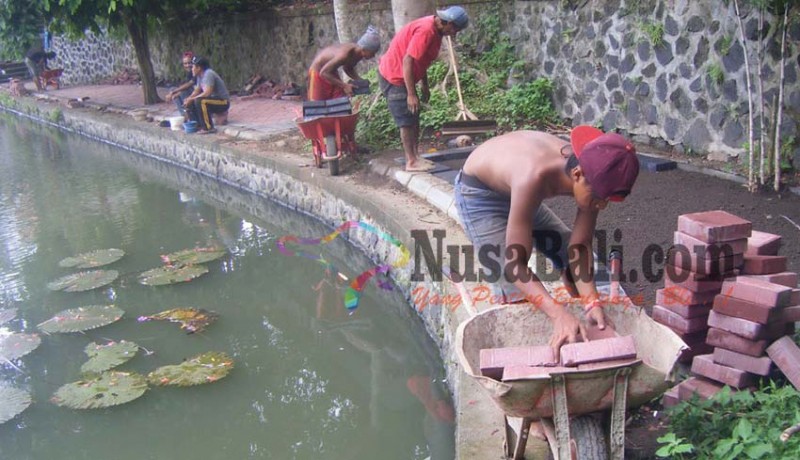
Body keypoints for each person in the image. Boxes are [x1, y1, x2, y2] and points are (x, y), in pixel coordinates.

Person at [453, 127, 640, 351]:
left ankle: (578, 321)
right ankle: (533, 345)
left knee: (573, 262)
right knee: (511, 284)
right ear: (577, 175)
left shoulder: (595, 173)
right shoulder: (533, 177)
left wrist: (591, 302)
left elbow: (579, 247)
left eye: (607, 200)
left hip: (518, 188)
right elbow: (514, 264)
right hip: (481, 195)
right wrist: (558, 313)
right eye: (600, 199)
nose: (601, 206)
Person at [378, 6, 468, 172]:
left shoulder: (437, 32)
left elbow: (422, 60)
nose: (454, 33)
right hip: (395, 76)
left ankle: (415, 156)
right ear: (447, 22)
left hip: (407, 75)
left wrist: (424, 86)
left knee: (414, 115)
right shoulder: (426, 30)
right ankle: (411, 161)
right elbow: (408, 60)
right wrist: (411, 94)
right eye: (455, 29)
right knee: (406, 118)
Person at [307, 26, 381, 101]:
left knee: (339, 99)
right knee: (317, 105)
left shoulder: (358, 54)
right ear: (364, 49)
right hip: (318, 72)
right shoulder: (345, 54)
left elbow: (348, 68)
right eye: (372, 53)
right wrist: (344, 86)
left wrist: (360, 80)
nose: (373, 56)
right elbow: (323, 73)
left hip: (331, 72)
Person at [183, 56, 230, 134]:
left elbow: (207, 92)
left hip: (223, 102)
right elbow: (197, 91)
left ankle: (208, 127)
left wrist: (192, 99)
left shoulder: (208, 74)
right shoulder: (199, 76)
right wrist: (189, 98)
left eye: (193, 67)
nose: (192, 69)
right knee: (192, 100)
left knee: (200, 101)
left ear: (199, 68)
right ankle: (197, 124)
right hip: (211, 100)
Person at [165, 51, 196, 119]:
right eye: (185, 63)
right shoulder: (189, 73)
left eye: (189, 63)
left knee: (180, 91)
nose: (187, 65)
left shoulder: (196, 71)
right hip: (193, 92)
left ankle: (189, 115)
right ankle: (184, 115)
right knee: (173, 89)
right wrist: (174, 93)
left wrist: (173, 93)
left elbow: (189, 85)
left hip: (200, 94)